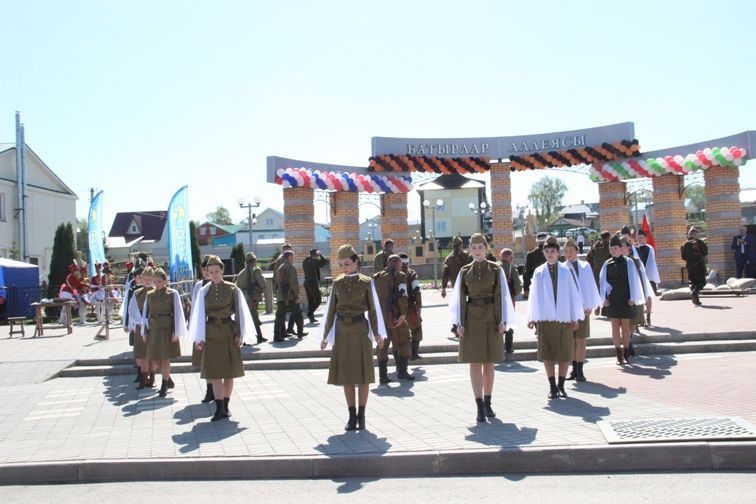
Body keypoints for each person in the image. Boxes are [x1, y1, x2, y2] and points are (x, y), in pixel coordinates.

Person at [450, 233, 516, 422]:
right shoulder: (464, 271)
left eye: (481, 247)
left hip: (491, 318)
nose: (477, 251)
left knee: (489, 363)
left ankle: (487, 403)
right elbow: (460, 299)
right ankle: (478, 405)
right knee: (474, 363)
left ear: (487, 249)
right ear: (469, 250)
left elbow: (501, 296)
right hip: (471, 319)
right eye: (474, 247)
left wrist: (502, 321)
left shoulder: (496, 270)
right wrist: (459, 324)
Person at [319, 244, 386, 431]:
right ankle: (351, 416)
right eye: (341, 264)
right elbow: (331, 311)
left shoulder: (366, 282)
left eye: (347, 264)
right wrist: (325, 336)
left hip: (360, 331)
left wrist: (378, 334)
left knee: (363, 375)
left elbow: (373, 311)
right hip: (341, 332)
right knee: (347, 375)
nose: (343, 268)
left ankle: (362, 415)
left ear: (356, 262)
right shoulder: (337, 283)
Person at [189, 255, 256, 422]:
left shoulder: (233, 289)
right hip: (211, 333)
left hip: (228, 331)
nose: (214, 274)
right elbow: (199, 316)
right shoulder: (204, 291)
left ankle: (226, 404)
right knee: (214, 372)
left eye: (217, 271)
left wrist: (240, 334)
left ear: (222, 270)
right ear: (207, 273)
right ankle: (218, 407)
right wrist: (199, 338)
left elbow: (240, 312)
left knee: (229, 372)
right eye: (211, 272)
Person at [526, 236, 583, 399]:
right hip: (545, 318)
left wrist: (574, 317)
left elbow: (573, 295)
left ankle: (561, 384)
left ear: (559, 253)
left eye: (553, 251)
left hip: (564, 317)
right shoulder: (539, 272)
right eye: (547, 251)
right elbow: (534, 295)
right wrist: (532, 316)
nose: (550, 254)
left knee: (564, 352)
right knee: (548, 352)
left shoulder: (567, 271)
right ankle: (552, 385)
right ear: (544, 253)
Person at [600, 235, 645, 365]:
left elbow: (634, 281)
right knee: (615, 327)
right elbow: (602, 282)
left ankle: (626, 353)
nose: (613, 250)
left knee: (625, 327)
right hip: (612, 298)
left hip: (626, 298)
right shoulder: (607, 264)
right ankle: (618, 354)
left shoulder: (628, 262)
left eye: (615, 248)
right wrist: (604, 298)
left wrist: (633, 298)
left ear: (621, 249)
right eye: (611, 248)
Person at [142, 267, 186, 397]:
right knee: (155, 359)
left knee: (165, 358)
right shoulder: (149, 295)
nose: (157, 284)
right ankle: (168, 378)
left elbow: (178, 313)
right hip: (154, 329)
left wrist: (176, 331)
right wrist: (144, 332)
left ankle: (164, 385)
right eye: (154, 281)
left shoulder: (172, 294)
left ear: (165, 281)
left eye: (159, 281)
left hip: (167, 329)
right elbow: (145, 314)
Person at [563, 240, 602, 383]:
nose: (568, 254)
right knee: (571, 340)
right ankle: (573, 369)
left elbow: (590, 286)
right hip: (568, 310)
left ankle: (580, 369)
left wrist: (590, 305)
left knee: (580, 339)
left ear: (576, 251)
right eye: (566, 251)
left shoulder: (585, 267)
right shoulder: (562, 268)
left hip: (583, 308)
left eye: (571, 251)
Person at [373, 254, 415, 383]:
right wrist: (403, 314)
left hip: (381, 317)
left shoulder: (377, 277)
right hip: (395, 315)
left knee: (383, 345)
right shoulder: (401, 276)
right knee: (404, 340)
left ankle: (383, 376)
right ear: (398, 264)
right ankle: (402, 372)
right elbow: (403, 296)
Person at [191, 255, 215, 403]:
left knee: (215, 359)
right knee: (204, 360)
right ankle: (209, 388)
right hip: (202, 326)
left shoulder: (217, 285)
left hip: (214, 324)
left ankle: (216, 388)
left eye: (209, 269)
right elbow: (194, 307)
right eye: (205, 269)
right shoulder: (198, 286)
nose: (207, 272)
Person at [128, 266, 155, 389]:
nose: (147, 281)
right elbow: (132, 310)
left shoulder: (158, 293)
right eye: (145, 279)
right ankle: (144, 378)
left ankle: (152, 378)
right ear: (142, 279)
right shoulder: (137, 293)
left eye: (150, 278)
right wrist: (139, 322)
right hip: (141, 328)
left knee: (153, 355)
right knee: (142, 355)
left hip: (154, 328)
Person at [273, 250, 307, 341]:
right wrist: (297, 295)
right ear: (290, 257)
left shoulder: (280, 267)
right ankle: (300, 333)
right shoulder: (291, 268)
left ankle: (276, 335)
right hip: (290, 295)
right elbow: (294, 283)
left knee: (280, 316)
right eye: (293, 256)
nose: (294, 258)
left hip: (281, 295)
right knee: (298, 314)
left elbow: (277, 281)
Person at [235, 252, 267, 344]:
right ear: (254, 261)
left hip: (244, 298)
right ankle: (258, 337)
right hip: (253, 298)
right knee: (253, 317)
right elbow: (263, 283)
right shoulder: (256, 270)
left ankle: (248, 339)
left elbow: (237, 286)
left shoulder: (241, 273)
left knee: (246, 318)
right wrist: (259, 291)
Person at [441, 235, 470, 335]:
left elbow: (445, 274)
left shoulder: (449, 258)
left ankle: (457, 325)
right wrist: (443, 288)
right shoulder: (466, 255)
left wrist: (443, 288)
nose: (457, 247)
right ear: (461, 245)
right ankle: (458, 325)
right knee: (461, 306)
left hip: (462, 286)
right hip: (465, 286)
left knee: (459, 306)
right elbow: (445, 273)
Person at [399, 253, 423, 361]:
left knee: (400, 333)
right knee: (416, 329)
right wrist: (419, 306)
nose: (405, 266)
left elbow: (416, 290)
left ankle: (405, 356)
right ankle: (413, 354)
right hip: (408, 307)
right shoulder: (411, 274)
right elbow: (417, 290)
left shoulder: (394, 274)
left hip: (398, 308)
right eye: (404, 263)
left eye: (406, 264)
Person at [498, 248, 522, 354]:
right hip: (509, 300)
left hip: (496, 300)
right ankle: (508, 347)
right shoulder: (512, 269)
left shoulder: (495, 267)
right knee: (509, 322)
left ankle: (497, 347)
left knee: (498, 321)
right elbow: (517, 286)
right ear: (510, 258)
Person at [681, 226, 708, 306]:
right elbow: (705, 252)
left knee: (693, 282)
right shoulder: (699, 242)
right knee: (701, 282)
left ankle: (696, 300)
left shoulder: (684, 244)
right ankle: (694, 293)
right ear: (696, 234)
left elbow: (683, 257)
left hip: (689, 266)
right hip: (699, 265)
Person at [302, 248, 329, 324]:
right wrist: (320, 255)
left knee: (311, 301)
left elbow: (309, 258)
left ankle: (311, 318)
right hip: (312, 282)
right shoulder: (314, 261)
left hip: (307, 282)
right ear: (315, 255)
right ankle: (310, 313)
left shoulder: (305, 261)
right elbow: (325, 262)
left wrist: (313, 255)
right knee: (318, 300)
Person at [636, 229, 660, 300]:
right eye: (638, 238)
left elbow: (650, 262)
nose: (639, 239)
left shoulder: (648, 248)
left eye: (641, 237)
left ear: (645, 238)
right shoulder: (635, 248)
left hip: (647, 271)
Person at [523, 232, 548, 299]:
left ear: (537, 241)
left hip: (537, 284)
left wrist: (526, 288)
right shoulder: (554, 253)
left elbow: (527, 273)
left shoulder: (531, 255)